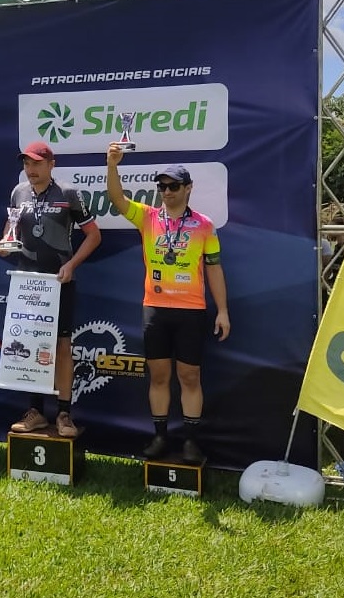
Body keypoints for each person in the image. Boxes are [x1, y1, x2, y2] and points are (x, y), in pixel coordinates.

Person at [106, 145, 230, 464]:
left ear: (188, 188)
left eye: (173, 186)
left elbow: (214, 268)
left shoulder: (204, 225)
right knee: (159, 376)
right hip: (156, 309)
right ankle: (160, 436)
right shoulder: (148, 217)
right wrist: (112, 165)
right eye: (162, 186)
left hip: (191, 310)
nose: (167, 191)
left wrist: (223, 310)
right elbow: (117, 199)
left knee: (190, 377)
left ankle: (191, 441)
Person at [0, 141, 102, 438]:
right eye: (26, 164)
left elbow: (94, 236)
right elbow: (10, 230)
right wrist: (3, 244)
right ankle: (36, 411)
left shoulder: (68, 193)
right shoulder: (18, 193)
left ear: (51, 164)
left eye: (37, 163)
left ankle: (64, 414)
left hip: (58, 282)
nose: (31, 169)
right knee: (30, 344)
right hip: (28, 284)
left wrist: (72, 265)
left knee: (62, 346)